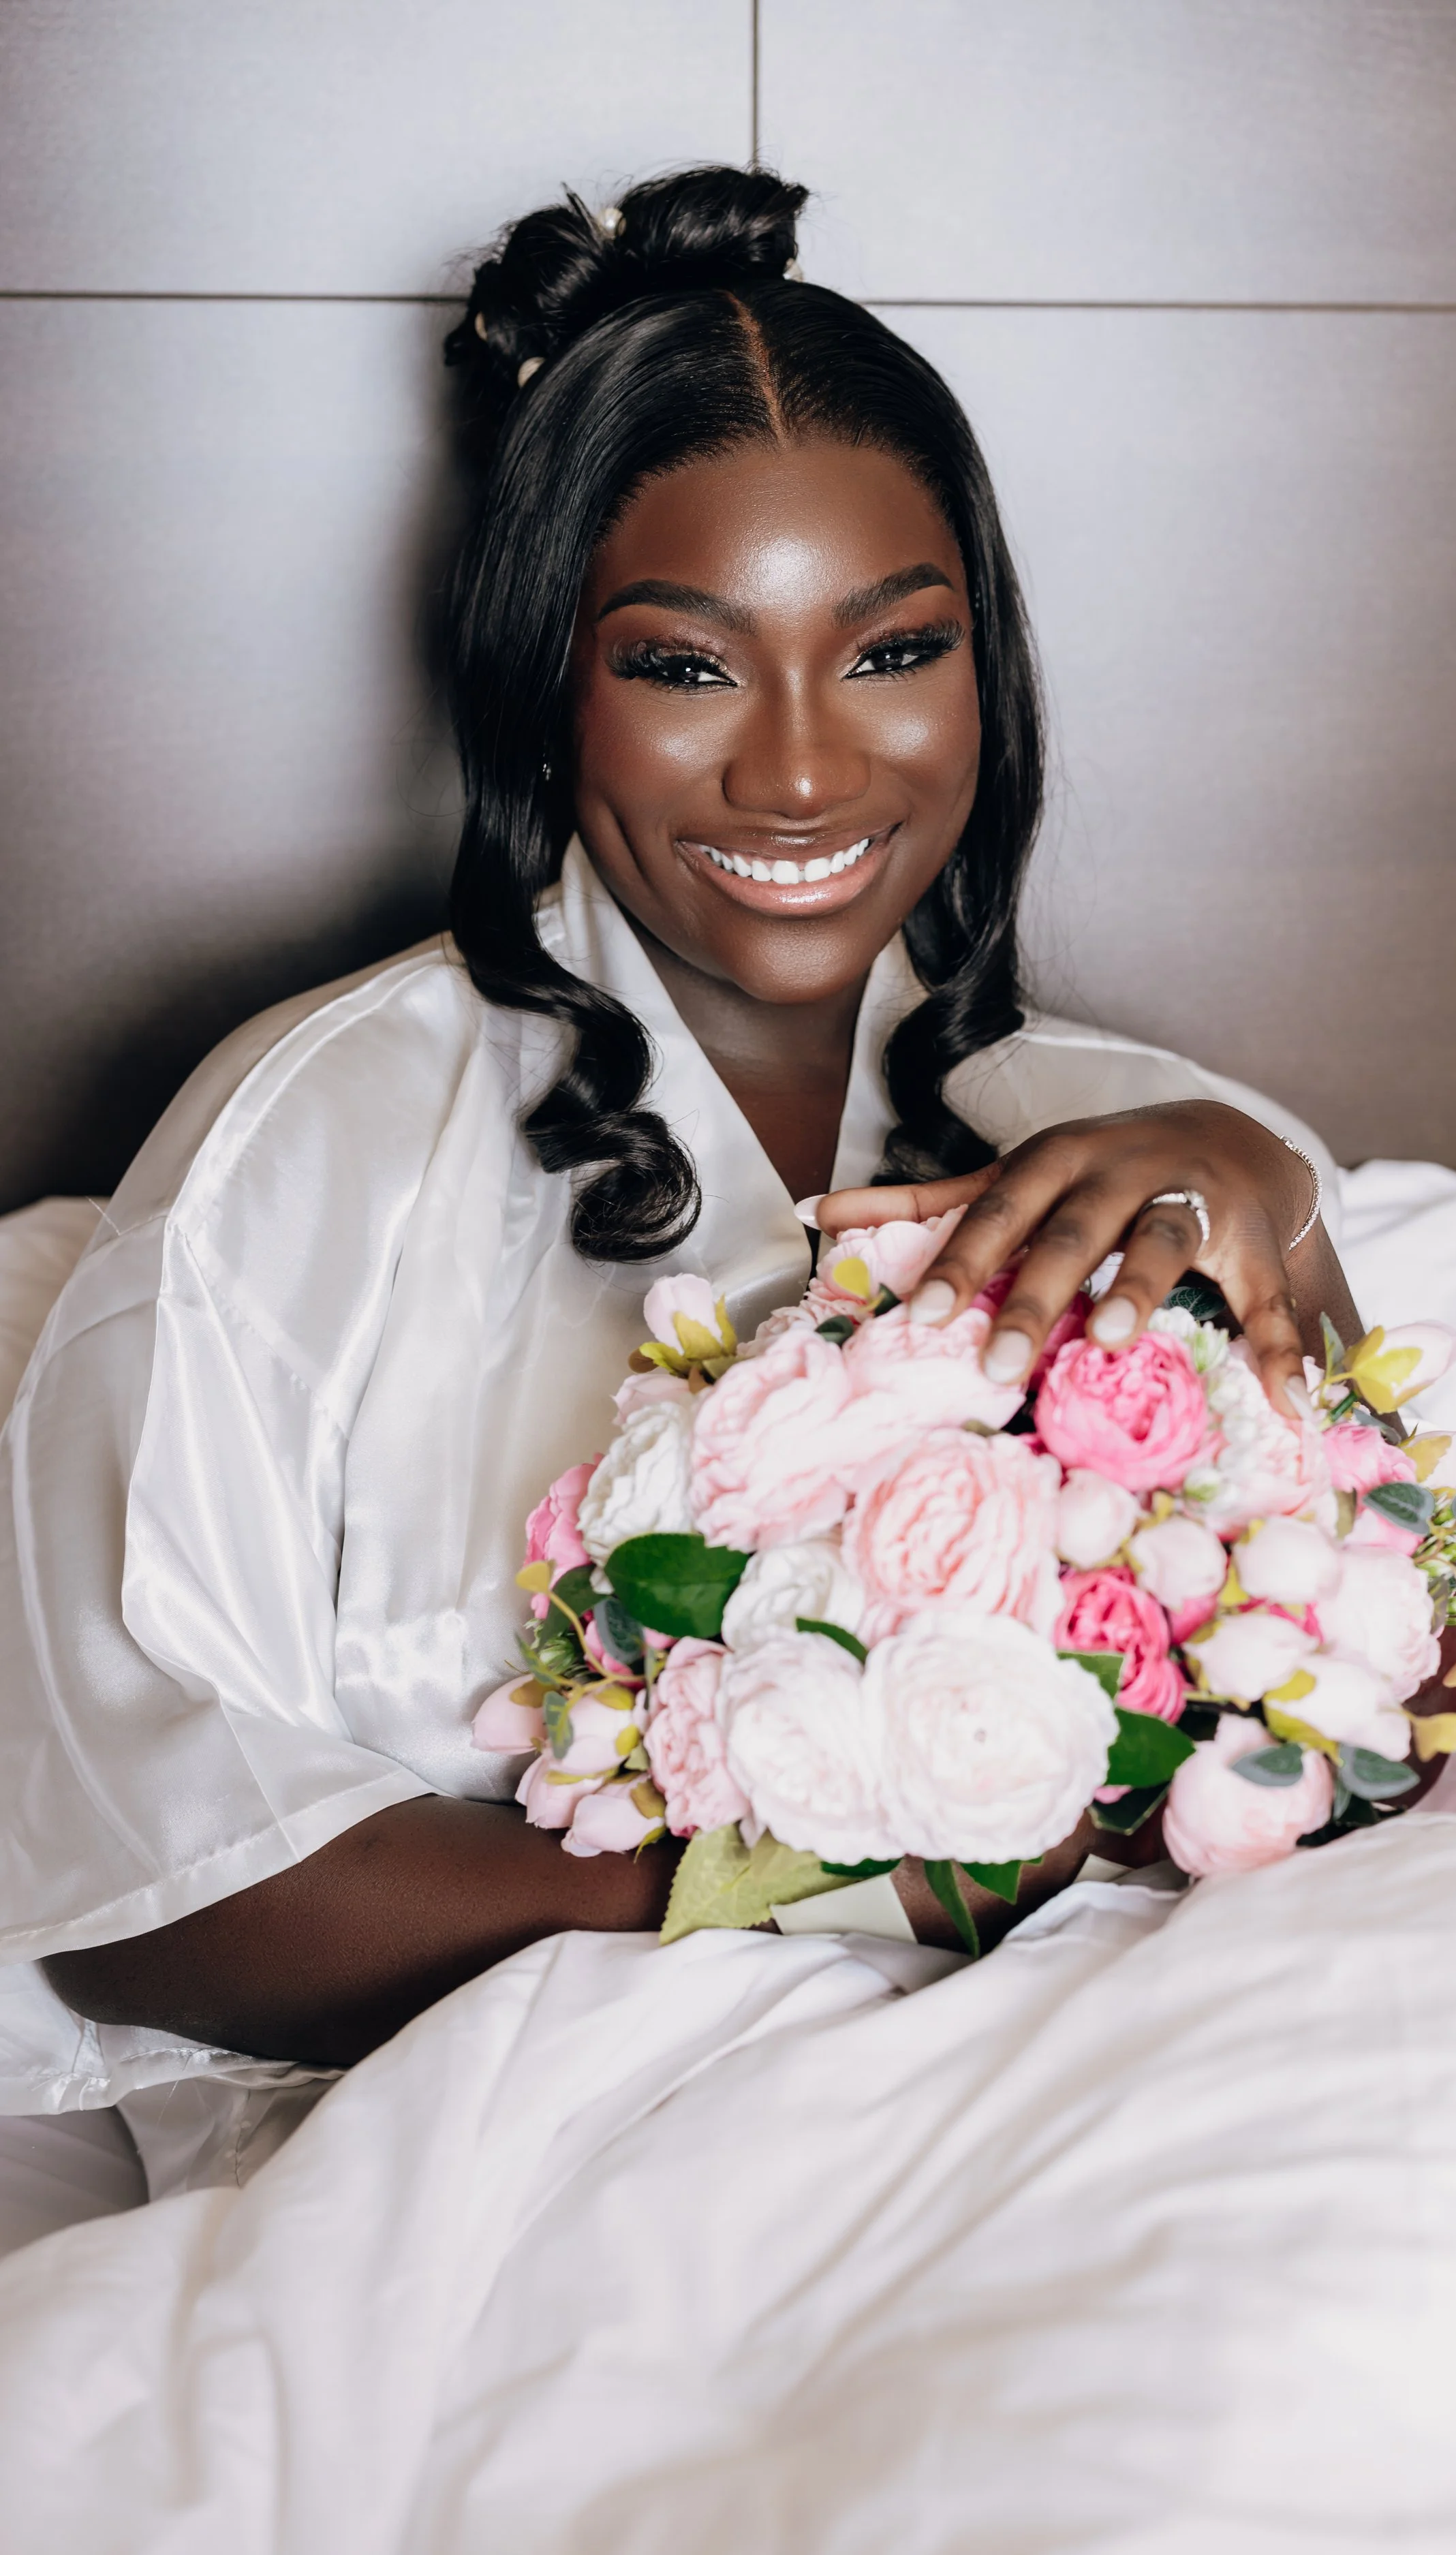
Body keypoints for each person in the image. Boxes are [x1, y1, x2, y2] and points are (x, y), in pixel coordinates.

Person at [0, 167, 1380, 2193]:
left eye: (893, 649)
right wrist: (787, 1899)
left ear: (983, 673)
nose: (806, 772)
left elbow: (1350, 1724)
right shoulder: (314, 1142)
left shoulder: (1152, 1135)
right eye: (687, 667)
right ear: (540, 685)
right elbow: (134, 1866)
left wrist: (1284, 1248)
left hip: (1098, 2143)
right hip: (514, 2175)